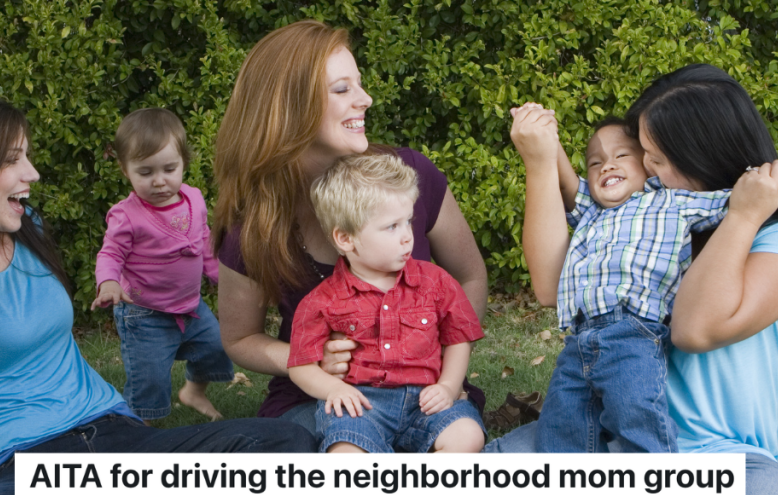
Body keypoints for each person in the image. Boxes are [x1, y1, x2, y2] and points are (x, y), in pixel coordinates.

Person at [0, 93, 315, 495]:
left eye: (27, 155)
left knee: (283, 443)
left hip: (118, 438)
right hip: (22, 468)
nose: (33, 174)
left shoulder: (28, 230)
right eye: (12, 160)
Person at [488, 64, 778, 495]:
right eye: (645, 155)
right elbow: (551, 285)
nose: (647, 170)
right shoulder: (646, 221)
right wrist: (540, 161)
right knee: (476, 481)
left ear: (705, 153)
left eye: (657, 157)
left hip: (716, 461)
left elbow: (694, 330)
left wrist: (742, 215)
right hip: (610, 434)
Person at [212, 19, 488, 433]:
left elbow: (469, 276)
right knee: (321, 444)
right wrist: (308, 359)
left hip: (421, 390)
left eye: (358, 85)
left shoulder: (407, 176)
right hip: (319, 396)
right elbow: (239, 339)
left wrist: (447, 372)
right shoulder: (255, 224)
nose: (366, 99)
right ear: (289, 108)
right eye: (342, 89)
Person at [509, 109, 731, 453]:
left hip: (634, 334)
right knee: (560, 427)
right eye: (595, 163)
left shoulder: (672, 201)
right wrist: (543, 133)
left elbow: (733, 199)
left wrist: (773, 175)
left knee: (636, 417)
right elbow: (566, 183)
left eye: (622, 155)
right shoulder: (592, 211)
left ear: (651, 165)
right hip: (578, 341)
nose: (606, 166)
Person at [288, 154, 486, 453]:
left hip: (426, 399)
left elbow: (459, 338)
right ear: (345, 238)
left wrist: (447, 385)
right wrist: (334, 389)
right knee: (345, 453)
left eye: (408, 222)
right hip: (361, 403)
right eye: (392, 226)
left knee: (467, 436)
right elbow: (300, 366)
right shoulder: (322, 300)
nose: (407, 236)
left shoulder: (435, 282)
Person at [91, 108, 232, 422]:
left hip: (191, 306)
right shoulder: (126, 215)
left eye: (169, 168)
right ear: (125, 170)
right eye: (145, 172)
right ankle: (139, 426)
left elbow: (204, 242)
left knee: (217, 348)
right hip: (145, 313)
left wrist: (219, 275)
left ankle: (193, 391)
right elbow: (111, 253)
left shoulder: (194, 199)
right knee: (150, 379)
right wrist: (109, 282)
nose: (159, 181)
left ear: (183, 161)